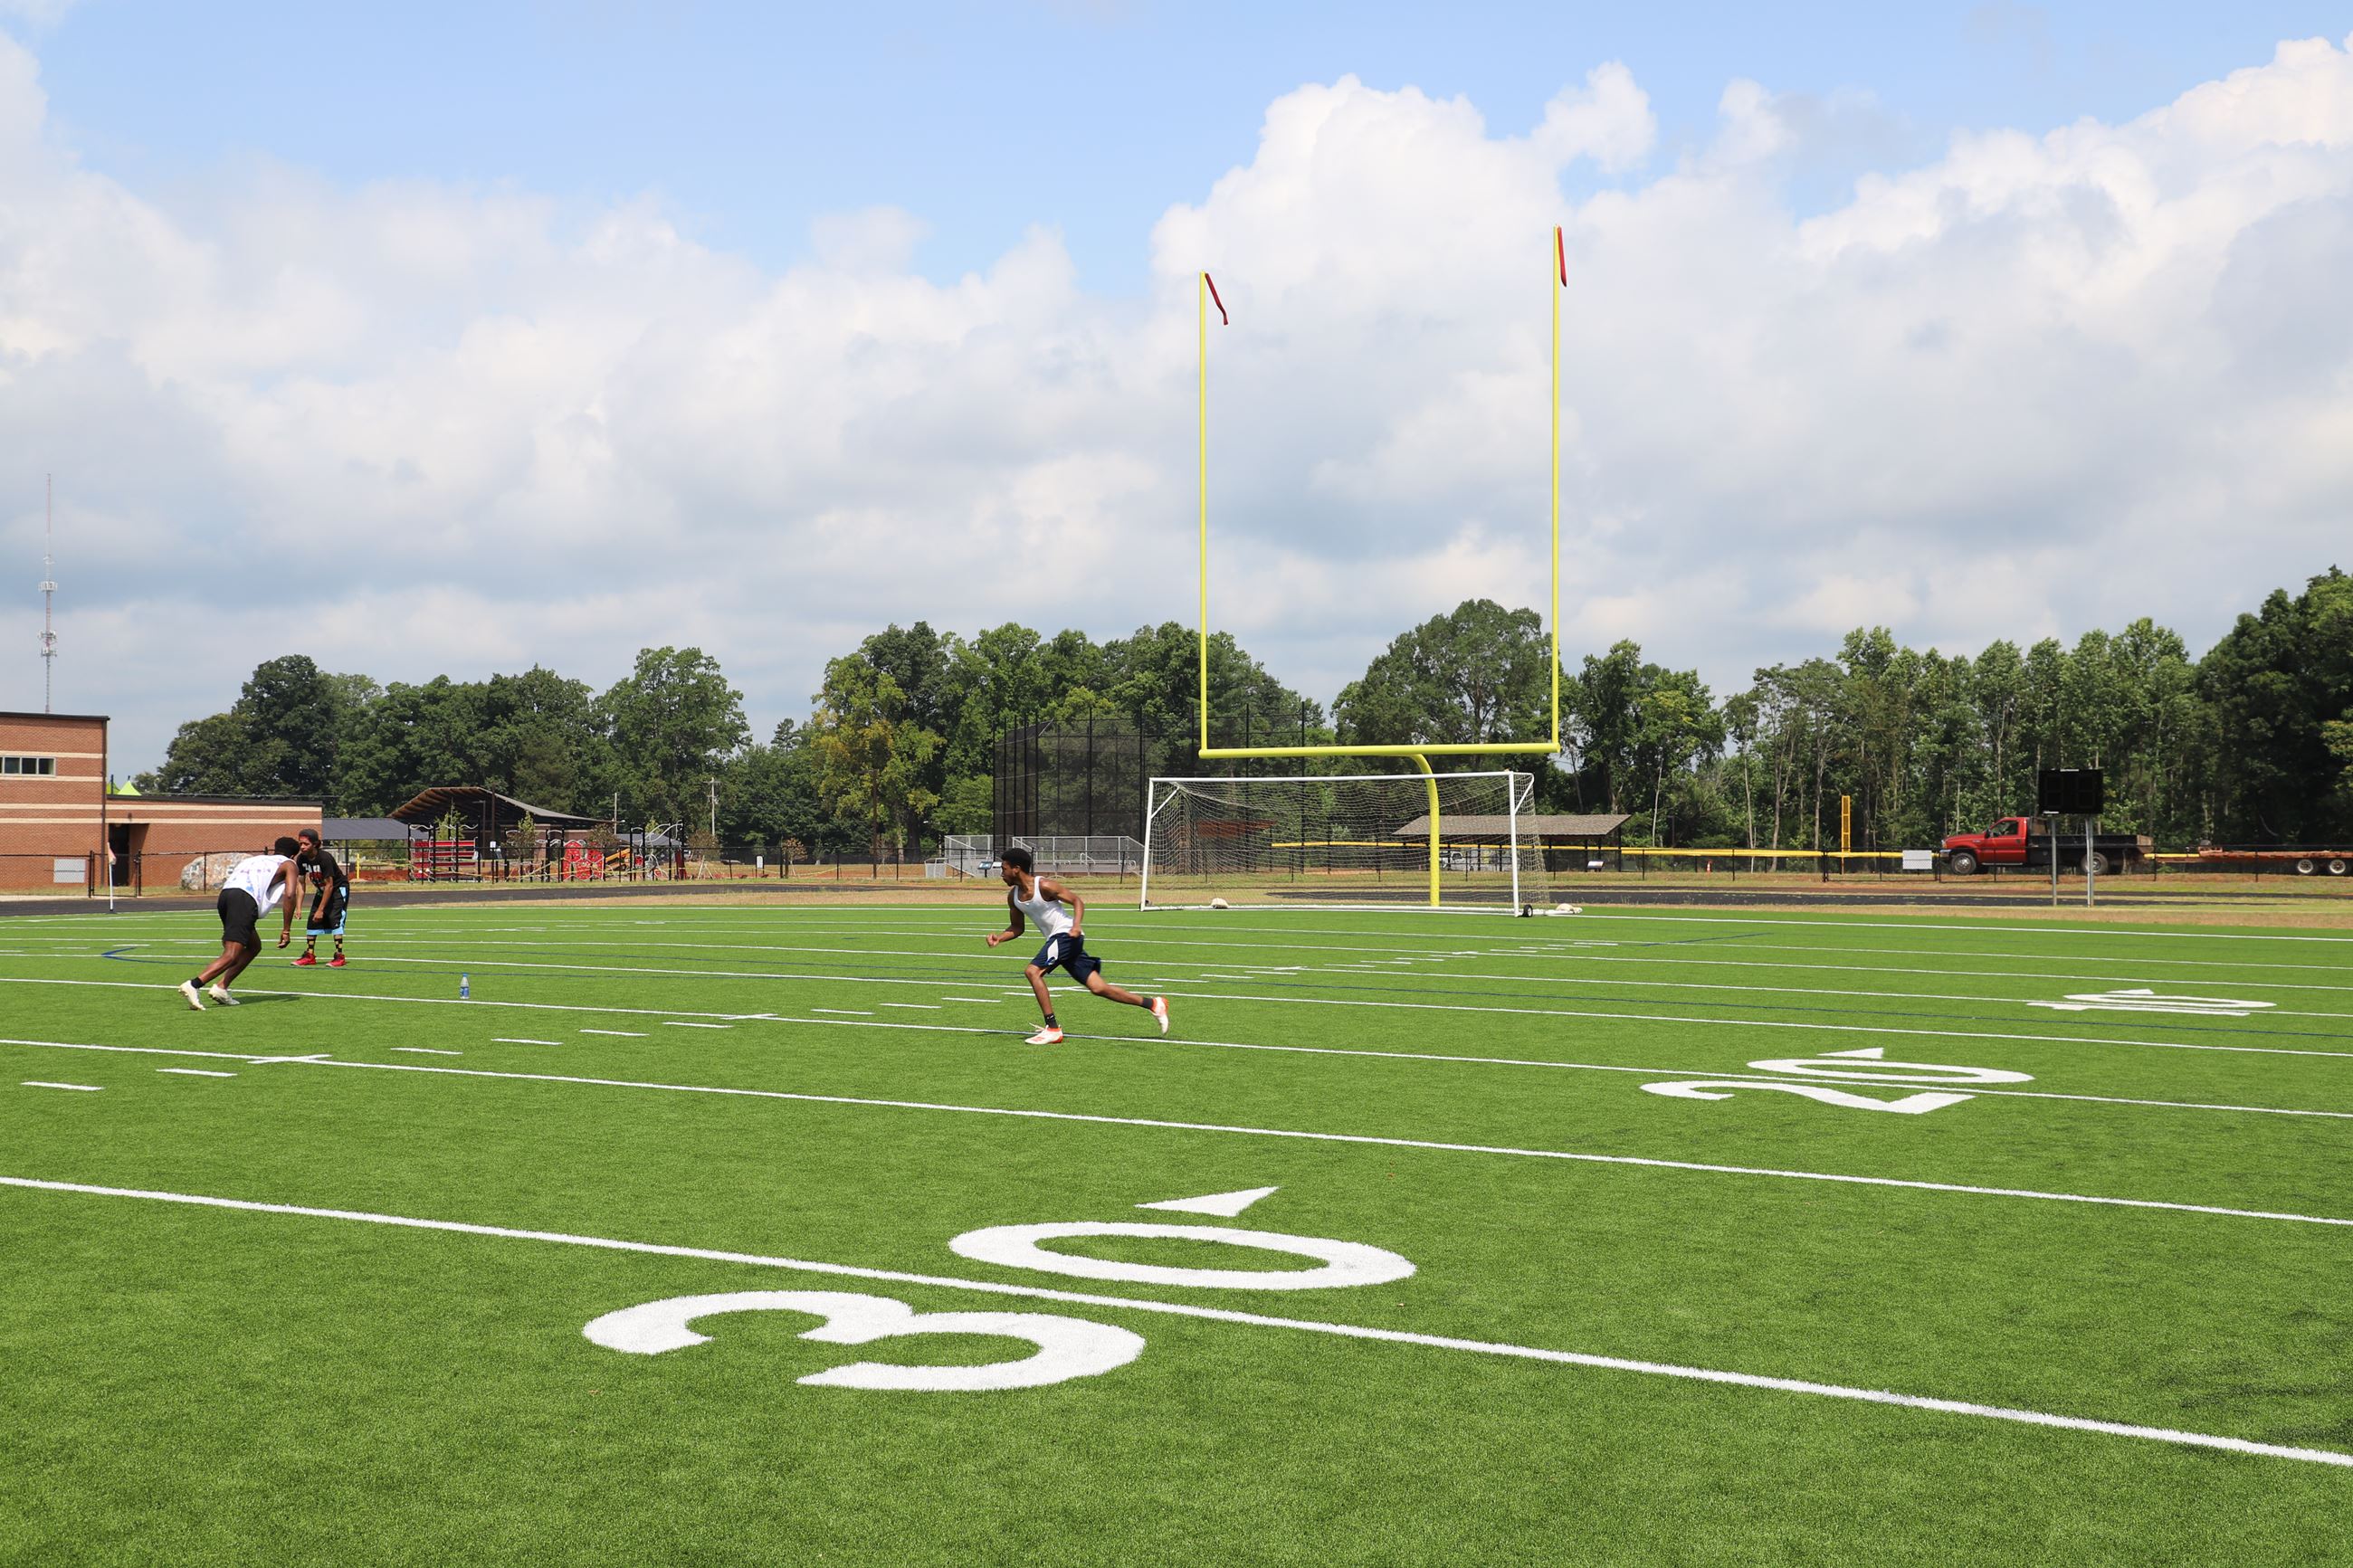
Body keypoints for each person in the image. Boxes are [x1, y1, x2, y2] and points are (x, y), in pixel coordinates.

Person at [987, 845, 1168, 1045]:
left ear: (1016, 868)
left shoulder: (1044, 886)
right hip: (1059, 940)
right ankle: (1154, 1004)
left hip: (1066, 935)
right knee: (1098, 988)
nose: (1001, 873)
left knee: (1032, 971)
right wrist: (1000, 938)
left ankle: (1053, 1028)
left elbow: (1077, 901)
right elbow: (1017, 927)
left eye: (1003, 869)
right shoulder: (1013, 897)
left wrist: (1076, 925)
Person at [180, 837, 301, 1010]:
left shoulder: (256, 859)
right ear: (293, 854)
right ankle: (194, 984)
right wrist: (286, 930)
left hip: (226, 896)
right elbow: (290, 894)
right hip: (244, 899)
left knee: (253, 946)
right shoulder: (290, 864)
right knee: (232, 953)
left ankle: (221, 988)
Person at [291, 827, 350, 967]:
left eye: (306, 844)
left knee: (334, 919)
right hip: (321, 890)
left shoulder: (324, 858)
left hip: (337, 889)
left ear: (315, 844)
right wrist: (298, 907)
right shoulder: (301, 859)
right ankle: (310, 955)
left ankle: (339, 956)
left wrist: (321, 909)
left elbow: (330, 885)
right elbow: (300, 883)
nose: (302, 847)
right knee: (312, 922)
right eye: (300, 844)